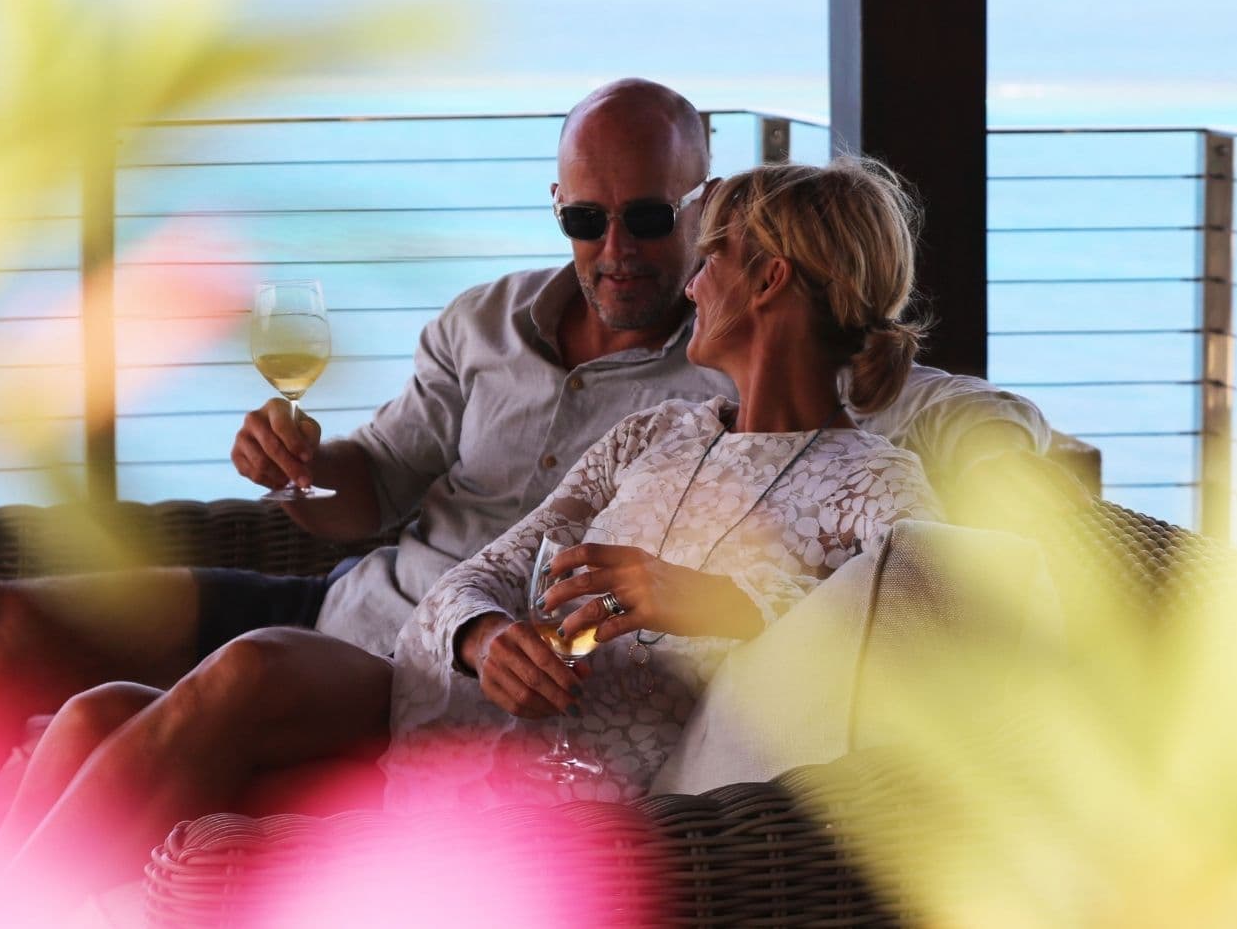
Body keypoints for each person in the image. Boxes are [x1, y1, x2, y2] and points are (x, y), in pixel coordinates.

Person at [0, 78, 1045, 891]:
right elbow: (471, 561)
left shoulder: (859, 468)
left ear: (759, 270)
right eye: (587, 218)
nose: (655, 267)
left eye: (684, 241)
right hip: (429, 671)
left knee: (210, 691)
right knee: (76, 687)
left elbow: (919, 608)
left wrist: (697, 598)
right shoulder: (644, 428)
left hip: (550, 777)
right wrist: (478, 625)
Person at [383, 157, 942, 806]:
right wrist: (484, 639)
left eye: (709, 263)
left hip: (694, 845)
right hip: (521, 797)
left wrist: (720, 601)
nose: (692, 288)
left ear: (768, 279)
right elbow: (481, 577)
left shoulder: (875, 477)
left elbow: (923, 643)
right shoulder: (651, 434)